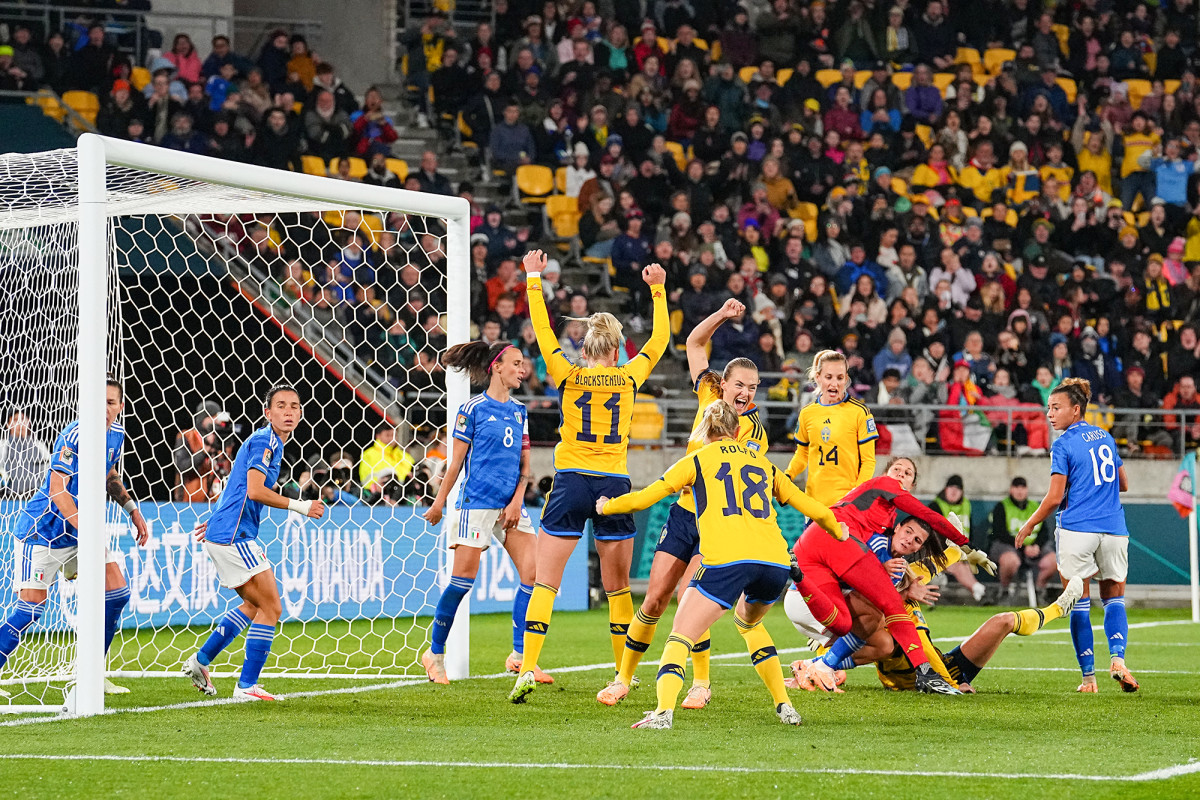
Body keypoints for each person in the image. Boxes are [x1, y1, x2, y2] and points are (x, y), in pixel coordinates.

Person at [597, 401, 845, 729]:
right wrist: (840, 534)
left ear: (705, 431)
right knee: (749, 624)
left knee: (680, 636)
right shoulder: (764, 463)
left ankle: (662, 713)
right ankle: (785, 707)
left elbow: (644, 498)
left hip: (729, 559)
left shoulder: (698, 459)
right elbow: (818, 510)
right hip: (774, 562)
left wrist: (607, 506)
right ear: (738, 431)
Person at [508, 249, 668, 704]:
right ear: (617, 350)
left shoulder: (567, 374)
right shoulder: (629, 377)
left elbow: (542, 331)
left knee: (545, 583)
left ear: (585, 349)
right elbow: (659, 340)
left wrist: (534, 278)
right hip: (612, 484)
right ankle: (622, 674)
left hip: (570, 481)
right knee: (618, 589)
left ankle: (528, 665)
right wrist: (657, 289)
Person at [598, 298, 766, 708]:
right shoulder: (708, 395)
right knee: (654, 598)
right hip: (682, 515)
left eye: (752, 387)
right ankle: (623, 679)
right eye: (739, 385)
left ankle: (701, 683)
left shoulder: (754, 432)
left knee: (689, 598)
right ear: (722, 384)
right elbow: (693, 343)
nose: (745, 393)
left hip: (715, 525)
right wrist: (722, 315)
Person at [787, 457, 993, 695]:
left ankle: (816, 666)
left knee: (878, 641)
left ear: (912, 485)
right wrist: (966, 545)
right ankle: (925, 673)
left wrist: (953, 555)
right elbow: (927, 516)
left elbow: (911, 571)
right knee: (888, 607)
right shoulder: (880, 518)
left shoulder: (883, 526)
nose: (901, 474)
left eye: (908, 473)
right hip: (813, 582)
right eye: (897, 469)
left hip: (821, 587)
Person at [0, 379, 149, 696]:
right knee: (29, 611)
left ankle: (91, 675)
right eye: (100, 400)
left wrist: (131, 509)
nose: (105, 408)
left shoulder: (116, 434)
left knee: (117, 594)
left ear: (120, 407)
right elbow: (58, 489)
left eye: (111, 402)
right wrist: (88, 530)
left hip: (80, 534)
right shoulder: (74, 435)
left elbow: (108, 474)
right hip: (42, 533)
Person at [183, 384, 326, 700]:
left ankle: (201, 660)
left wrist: (218, 517)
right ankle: (246, 686)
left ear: (301, 413)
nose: (288, 412)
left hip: (229, 531)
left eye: (294, 406)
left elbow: (236, 485)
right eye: (281, 406)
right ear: (267, 412)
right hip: (234, 536)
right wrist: (301, 506)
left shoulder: (270, 442)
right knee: (271, 607)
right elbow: (255, 491)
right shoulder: (265, 441)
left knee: (254, 605)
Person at [420, 341, 546, 684]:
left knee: (534, 574)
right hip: (476, 503)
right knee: (462, 582)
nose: (522, 370)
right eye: (516, 363)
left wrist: (517, 500)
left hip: (510, 506)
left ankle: (520, 656)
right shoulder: (471, 409)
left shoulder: (519, 412)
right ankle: (434, 654)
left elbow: (524, 467)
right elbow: (455, 464)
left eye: (523, 364)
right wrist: (439, 503)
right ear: (497, 367)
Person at [1017, 377, 1138, 694]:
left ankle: (1088, 680)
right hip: (1114, 529)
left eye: (1056, 408)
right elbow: (1124, 484)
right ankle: (1118, 659)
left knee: (1078, 602)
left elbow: (1054, 497)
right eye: (1048, 408)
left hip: (1077, 529)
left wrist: (1029, 525)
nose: (1050, 414)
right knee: (1114, 599)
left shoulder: (1063, 444)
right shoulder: (1106, 437)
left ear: (1076, 409)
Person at [785, 350, 877, 507]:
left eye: (839, 378)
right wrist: (788, 475)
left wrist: (855, 496)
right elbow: (802, 454)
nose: (834, 383)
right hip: (814, 504)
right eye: (828, 377)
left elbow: (868, 461)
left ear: (846, 379)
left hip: (846, 505)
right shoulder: (807, 413)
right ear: (818, 377)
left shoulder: (860, 412)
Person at [989, 476, 1057, 600]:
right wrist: (1024, 548)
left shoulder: (1035, 506)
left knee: (1054, 560)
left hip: (1033, 547)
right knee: (1010, 561)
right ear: (1011, 490)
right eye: (1016, 488)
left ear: (1027, 490)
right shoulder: (1002, 506)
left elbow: (1044, 532)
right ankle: (1004, 591)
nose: (1019, 491)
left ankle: (1039, 590)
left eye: (1022, 488)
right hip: (1011, 546)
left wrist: (1037, 546)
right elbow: (1000, 533)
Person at [930, 474, 985, 602]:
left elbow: (970, 530)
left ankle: (978, 591)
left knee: (963, 564)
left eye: (958, 489)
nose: (954, 492)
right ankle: (978, 589)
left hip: (960, 550)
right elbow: (933, 536)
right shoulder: (936, 506)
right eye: (951, 488)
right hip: (938, 550)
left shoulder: (966, 505)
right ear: (945, 489)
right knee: (957, 564)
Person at [172, 400, 234, 502]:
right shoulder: (186, 437)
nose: (217, 422)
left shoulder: (219, 440)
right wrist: (205, 450)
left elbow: (228, 471)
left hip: (215, 501)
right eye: (213, 417)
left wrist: (227, 447)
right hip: (189, 501)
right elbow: (181, 467)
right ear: (204, 418)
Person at [0, 411, 49, 499]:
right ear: (8, 424)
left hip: (35, 497)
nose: (20, 423)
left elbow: (47, 471)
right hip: (9, 498)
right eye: (15, 420)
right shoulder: (2, 446)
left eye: (22, 419)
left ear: (28, 423)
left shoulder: (40, 446)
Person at [359, 424, 416, 498]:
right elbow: (365, 477)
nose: (392, 438)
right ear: (378, 436)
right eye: (388, 435)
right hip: (379, 493)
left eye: (394, 435)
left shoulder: (404, 455)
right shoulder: (369, 454)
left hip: (406, 492)